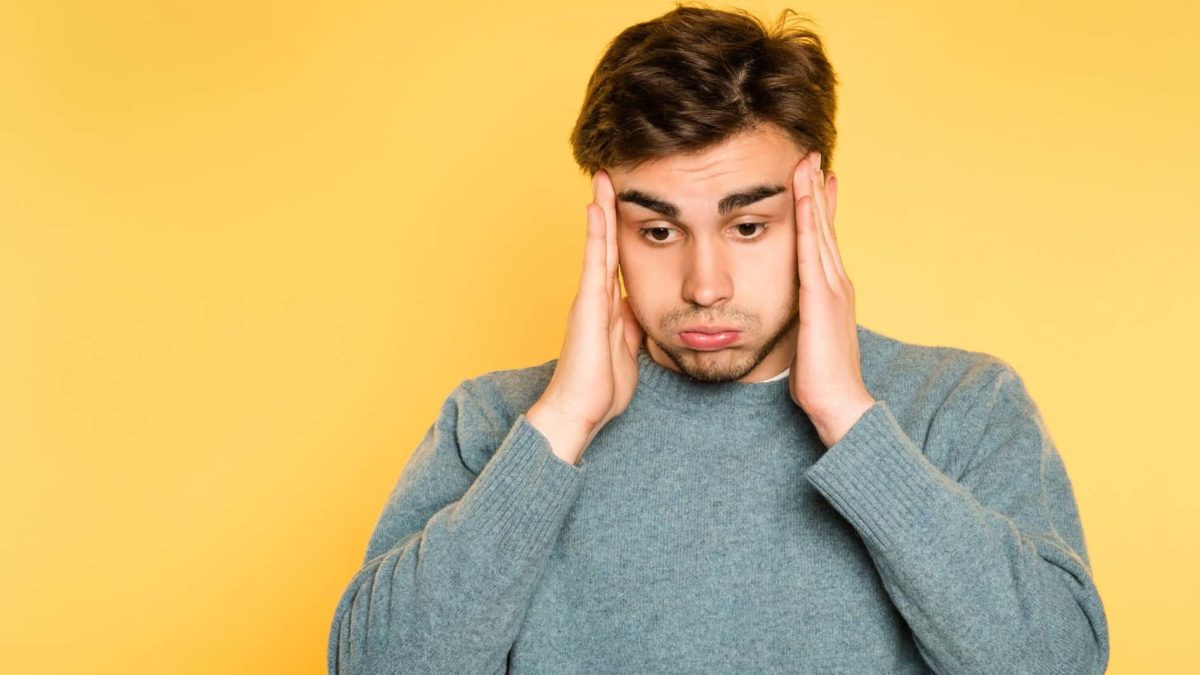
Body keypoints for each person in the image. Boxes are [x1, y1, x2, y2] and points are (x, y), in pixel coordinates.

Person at [327, 4, 1110, 673]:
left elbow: (1057, 659)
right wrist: (562, 422)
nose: (706, 284)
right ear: (607, 226)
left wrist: (847, 414)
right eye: (659, 229)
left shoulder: (960, 407)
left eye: (747, 225)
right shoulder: (501, 421)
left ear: (818, 209)